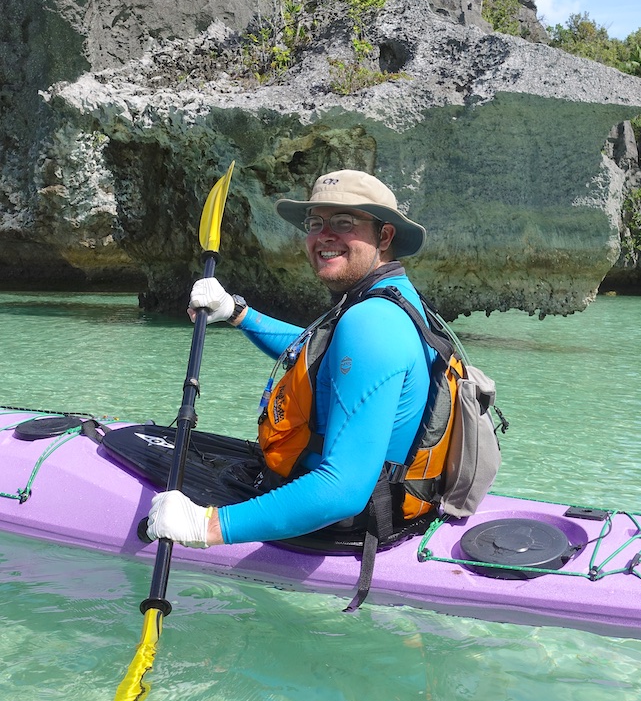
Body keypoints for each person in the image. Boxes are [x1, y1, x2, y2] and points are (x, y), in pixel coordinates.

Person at [147, 169, 435, 553]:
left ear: (384, 236)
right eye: (315, 223)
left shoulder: (373, 321)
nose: (324, 236)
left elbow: (343, 490)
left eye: (344, 222)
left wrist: (210, 526)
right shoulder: (392, 297)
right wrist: (237, 312)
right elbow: (316, 356)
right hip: (382, 505)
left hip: (338, 523)